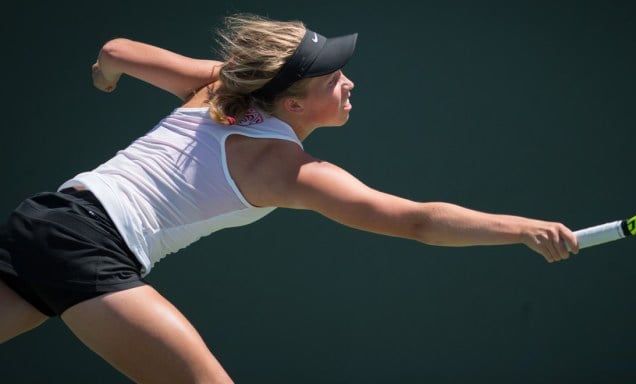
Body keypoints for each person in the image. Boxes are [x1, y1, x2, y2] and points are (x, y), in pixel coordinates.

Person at [0, 13, 578, 383]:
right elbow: (418, 222)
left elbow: (118, 49)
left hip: (47, 216)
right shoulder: (289, 169)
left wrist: (103, 75)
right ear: (293, 104)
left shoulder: (218, 86)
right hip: (92, 246)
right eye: (331, 78)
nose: (347, 81)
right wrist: (521, 227)